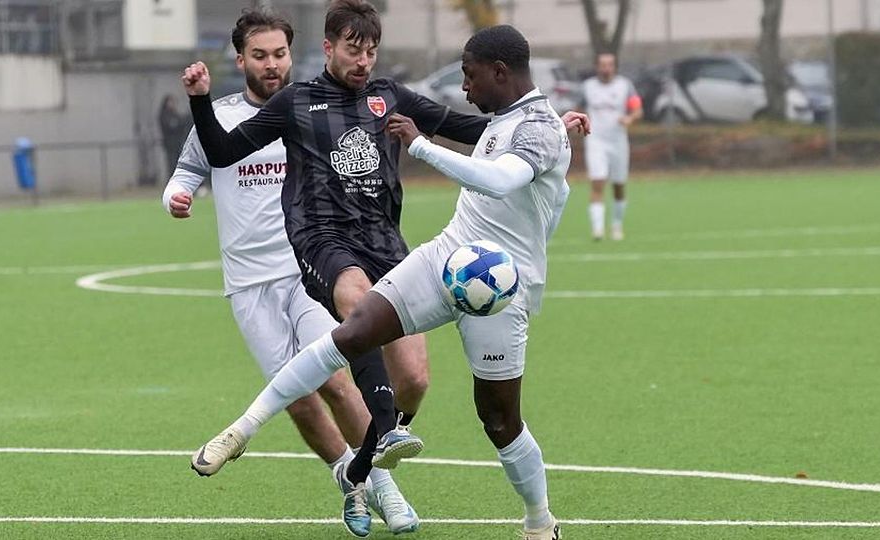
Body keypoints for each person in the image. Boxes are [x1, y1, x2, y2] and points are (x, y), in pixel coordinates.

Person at [182, 2, 587, 535]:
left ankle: (524, 516)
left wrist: (549, 129)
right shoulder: (298, 101)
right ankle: (246, 430)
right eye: (354, 48)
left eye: (371, 49)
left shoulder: (394, 98)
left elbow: (476, 130)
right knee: (354, 317)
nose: (364, 59)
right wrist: (201, 100)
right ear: (328, 47)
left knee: (437, 388)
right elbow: (221, 149)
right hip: (331, 239)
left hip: (423, 254)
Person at [164, 10, 419, 534]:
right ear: (241, 60)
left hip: (310, 270)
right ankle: (351, 482)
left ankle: (387, 490)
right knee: (300, 401)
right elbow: (192, 166)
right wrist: (179, 193)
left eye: (280, 53)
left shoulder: (311, 108)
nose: (272, 64)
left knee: (336, 381)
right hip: (247, 283)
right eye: (260, 55)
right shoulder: (223, 118)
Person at [582, 51, 642, 241]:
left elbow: (637, 109)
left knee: (618, 186)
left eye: (610, 65)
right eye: (603, 64)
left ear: (614, 67)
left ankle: (616, 225)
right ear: (597, 66)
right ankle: (597, 230)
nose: (606, 68)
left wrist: (630, 118)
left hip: (618, 141)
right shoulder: (587, 87)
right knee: (597, 181)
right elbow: (577, 108)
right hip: (595, 140)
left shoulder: (625, 86)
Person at [158, 94, 190, 180]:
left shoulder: (175, 114)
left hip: (178, 143)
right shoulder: (164, 115)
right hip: (170, 144)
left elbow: (181, 124)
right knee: (171, 163)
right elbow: (171, 125)